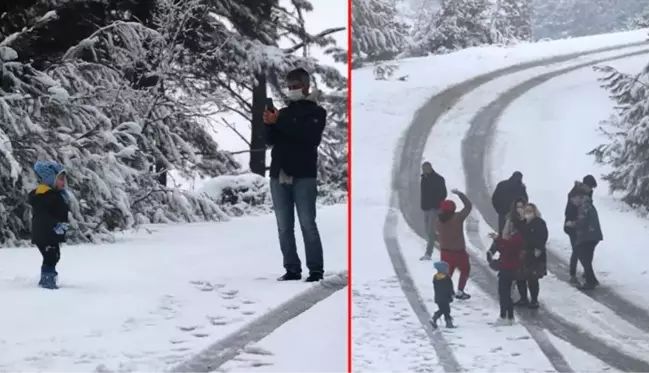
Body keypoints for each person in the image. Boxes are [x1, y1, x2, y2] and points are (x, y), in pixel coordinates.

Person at [263, 68, 327, 283]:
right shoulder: (284, 113)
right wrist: (269, 124)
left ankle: (316, 269)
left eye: (295, 86)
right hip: (279, 174)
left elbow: (308, 136)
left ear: (306, 86)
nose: (291, 90)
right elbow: (271, 141)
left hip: (304, 175)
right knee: (284, 226)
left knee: (307, 223)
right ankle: (292, 268)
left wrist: (279, 121)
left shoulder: (317, 113)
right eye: (289, 87)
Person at [29, 161, 71, 289]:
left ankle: (48, 278)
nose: (63, 182)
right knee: (50, 255)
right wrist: (55, 224)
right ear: (50, 179)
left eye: (63, 179)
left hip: (50, 233)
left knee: (54, 255)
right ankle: (47, 280)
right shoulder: (43, 195)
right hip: (44, 232)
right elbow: (43, 215)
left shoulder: (55, 194)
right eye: (60, 179)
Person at [436, 189, 472, 300]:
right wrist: (460, 194)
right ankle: (460, 291)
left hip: (445, 252)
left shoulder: (438, 221)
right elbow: (468, 207)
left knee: (446, 274)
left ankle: (445, 292)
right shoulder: (457, 218)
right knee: (465, 269)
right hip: (459, 252)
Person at [566, 188, 603, 290]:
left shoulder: (585, 206)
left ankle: (591, 281)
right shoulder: (587, 204)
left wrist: (572, 224)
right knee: (586, 258)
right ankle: (591, 279)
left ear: (579, 197)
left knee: (583, 257)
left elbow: (582, 221)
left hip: (589, 236)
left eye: (573, 200)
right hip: (592, 235)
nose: (573, 203)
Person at [488, 222, 525, 326]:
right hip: (508, 267)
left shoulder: (516, 238)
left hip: (508, 268)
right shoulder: (514, 237)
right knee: (506, 293)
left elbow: (509, 248)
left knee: (504, 293)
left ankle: (504, 316)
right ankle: (510, 317)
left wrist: (497, 239)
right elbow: (506, 249)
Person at [564, 175, 597, 284]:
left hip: (582, 227)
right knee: (577, 250)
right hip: (572, 225)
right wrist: (574, 223)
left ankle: (587, 272)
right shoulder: (576, 193)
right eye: (591, 187)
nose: (591, 190)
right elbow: (570, 211)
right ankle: (572, 274)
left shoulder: (587, 193)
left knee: (586, 250)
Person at [516, 203, 548, 309]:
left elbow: (543, 236)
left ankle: (534, 300)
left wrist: (538, 248)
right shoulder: (522, 223)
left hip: (534, 253)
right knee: (520, 277)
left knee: (532, 278)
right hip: (523, 252)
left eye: (530, 211)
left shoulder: (539, 223)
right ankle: (523, 298)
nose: (528, 213)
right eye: (526, 211)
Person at [420, 161, 447, 260]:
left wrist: (436, 204)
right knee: (428, 232)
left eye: (426, 168)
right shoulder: (424, 178)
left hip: (435, 209)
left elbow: (444, 194)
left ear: (430, 168)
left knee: (430, 231)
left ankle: (428, 253)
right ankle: (447, 243)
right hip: (426, 209)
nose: (424, 170)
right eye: (423, 168)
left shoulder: (439, 179)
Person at [430, 260, 455, 328]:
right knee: (445, 310)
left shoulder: (435, 277)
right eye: (446, 268)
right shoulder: (446, 278)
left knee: (444, 310)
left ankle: (447, 322)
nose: (448, 270)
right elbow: (449, 287)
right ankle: (436, 318)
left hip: (438, 297)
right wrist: (452, 293)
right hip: (445, 297)